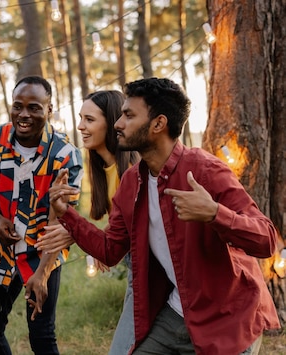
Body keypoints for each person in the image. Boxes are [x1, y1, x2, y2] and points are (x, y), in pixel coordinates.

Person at [37, 77, 281, 355]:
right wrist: (65, 213)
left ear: (158, 124)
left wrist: (214, 214)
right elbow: (109, 250)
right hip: (176, 313)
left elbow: (267, 240)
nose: (118, 123)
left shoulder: (205, 171)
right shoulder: (131, 183)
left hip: (228, 319)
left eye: (129, 115)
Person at [0, 75, 83, 354]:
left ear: (49, 110)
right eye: (18, 106)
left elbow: (61, 220)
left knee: (42, 336)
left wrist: (43, 272)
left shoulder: (65, 155)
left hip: (41, 254)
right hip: (0, 251)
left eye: (34, 107)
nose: (24, 114)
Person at [78, 90, 139, 355]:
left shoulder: (133, 170)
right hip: (135, 269)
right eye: (81, 118)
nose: (81, 126)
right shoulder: (106, 169)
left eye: (89, 120)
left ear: (112, 122)